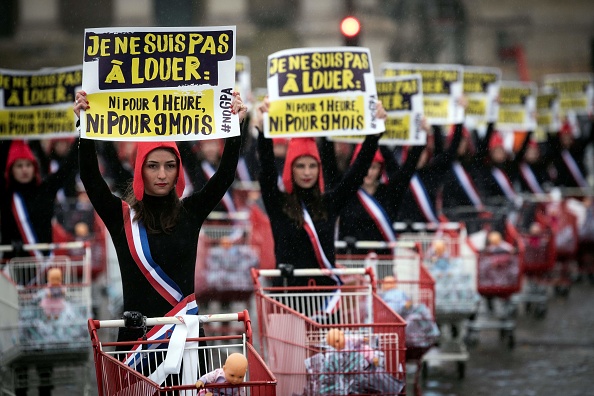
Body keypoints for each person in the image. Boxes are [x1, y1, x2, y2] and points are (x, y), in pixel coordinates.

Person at [74, 90, 246, 345]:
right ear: (140, 170)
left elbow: (224, 177)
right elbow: (91, 178)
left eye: (170, 165)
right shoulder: (121, 217)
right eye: (152, 165)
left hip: (185, 339)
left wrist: (235, 126)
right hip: (136, 345)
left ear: (179, 170)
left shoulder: (191, 212)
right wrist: (84, 126)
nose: (162, 174)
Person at [254, 97, 386, 288]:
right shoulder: (278, 203)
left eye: (312, 165)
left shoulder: (329, 202)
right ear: (291, 169)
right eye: (300, 166)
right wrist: (263, 132)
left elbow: (356, 174)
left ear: (319, 168)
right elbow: (267, 171)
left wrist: (374, 134)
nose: (307, 172)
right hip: (287, 298)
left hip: (325, 299)